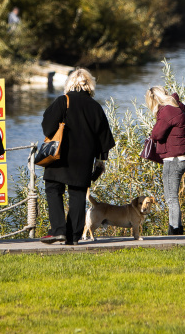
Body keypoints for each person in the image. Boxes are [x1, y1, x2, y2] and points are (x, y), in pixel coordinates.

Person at [40, 68, 116, 245]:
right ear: (89, 85)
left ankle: (58, 230)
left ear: (70, 84)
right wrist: (100, 162)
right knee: (78, 195)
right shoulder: (95, 107)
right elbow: (104, 139)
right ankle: (73, 236)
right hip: (84, 160)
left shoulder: (62, 101)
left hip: (60, 157)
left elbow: (48, 128)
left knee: (53, 189)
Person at [146, 86, 185, 235]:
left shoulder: (166, 111)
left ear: (154, 99)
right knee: (173, 196)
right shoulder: (177, 106)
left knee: (171, 198)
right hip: (183, 158)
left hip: (173, 159)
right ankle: (176, 228)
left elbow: (157, 134)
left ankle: (175, 231)